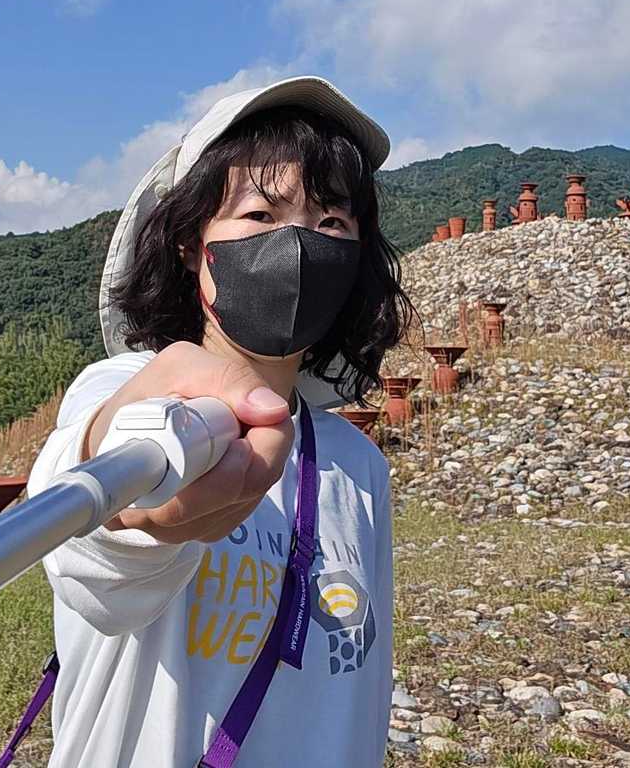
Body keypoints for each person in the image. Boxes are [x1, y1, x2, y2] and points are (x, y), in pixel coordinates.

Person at [24, 76, 413, 767]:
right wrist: (132, 490)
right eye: (260, 214)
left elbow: (364, 691)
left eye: (332, 222)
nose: (299, 245)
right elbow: (91, 546)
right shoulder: (119, 389)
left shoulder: (358, 465)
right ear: (189, 243)